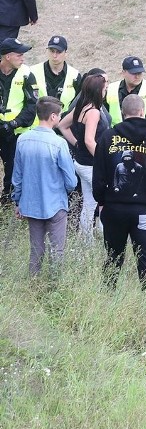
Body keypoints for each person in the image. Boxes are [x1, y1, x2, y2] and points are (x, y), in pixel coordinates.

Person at [92, 94, 146, 290]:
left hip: (113, 209)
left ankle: (107, 297)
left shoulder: (108, 137)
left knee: (113, 257)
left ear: (122, 113)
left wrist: (101, 201)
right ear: (142, 112)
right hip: (144, 210)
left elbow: (99, 174)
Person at [11, 96, 76, 275]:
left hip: (31, 204)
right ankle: (55, 287)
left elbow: (17, 176)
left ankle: (34, 284)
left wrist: (18, 201)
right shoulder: (59, 143)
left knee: (36, 250)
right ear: (53, 117)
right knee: (57, 251)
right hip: (55, 204)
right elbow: (71, 181)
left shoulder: (23, 140)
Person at [58, 74, 108, 242]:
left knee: (89, 202)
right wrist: (103, 161)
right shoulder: (93, 111)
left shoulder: (81, 106)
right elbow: (89, 140)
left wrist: (76, 143)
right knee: (105, 199)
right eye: (104, 87)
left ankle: (87, 239)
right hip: (92, 165)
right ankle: (103, 234)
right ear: (97, 90)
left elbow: (62, 125)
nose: (106, 90)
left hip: (80, 163)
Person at [0, 37, 38, 203]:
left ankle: (9, 201)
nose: (23, 58)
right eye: (19, 55)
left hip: (16, 131)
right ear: (7, 56)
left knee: (13, 168)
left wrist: (14, 123)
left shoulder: (27, 74)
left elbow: (32, 105)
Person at [104, 56, 146, 132]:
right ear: (123, 73)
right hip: (116, 139)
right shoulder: (111, 89)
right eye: (133, 73)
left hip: (144, 139)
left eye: (140, 73)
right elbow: (104, 117)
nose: (137, 76)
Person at [30, 36, 81, 113]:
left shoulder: (75, 76)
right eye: (52, 51)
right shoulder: (32, 71)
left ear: (66, 53)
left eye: (58, 52)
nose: (54, 55)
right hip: (37, 123)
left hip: (63, 123)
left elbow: (78, 104)